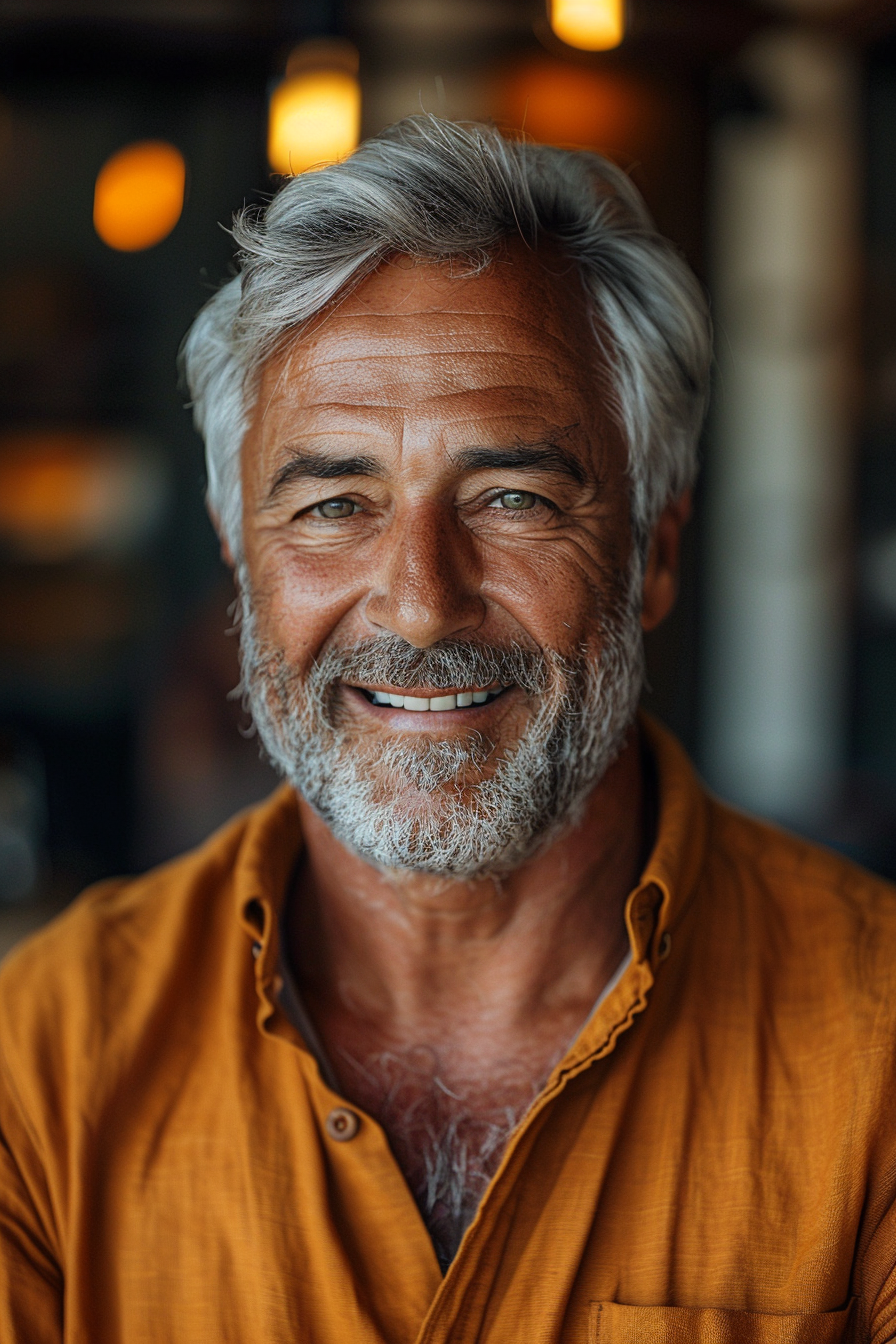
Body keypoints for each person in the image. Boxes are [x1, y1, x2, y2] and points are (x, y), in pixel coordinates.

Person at [1, 115, 894, 1344]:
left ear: (654, 554)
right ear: (238, 560)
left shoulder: (879, 1049)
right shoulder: (39, 1058)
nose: (419, 603)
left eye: (513, 497)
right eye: (333, 502)